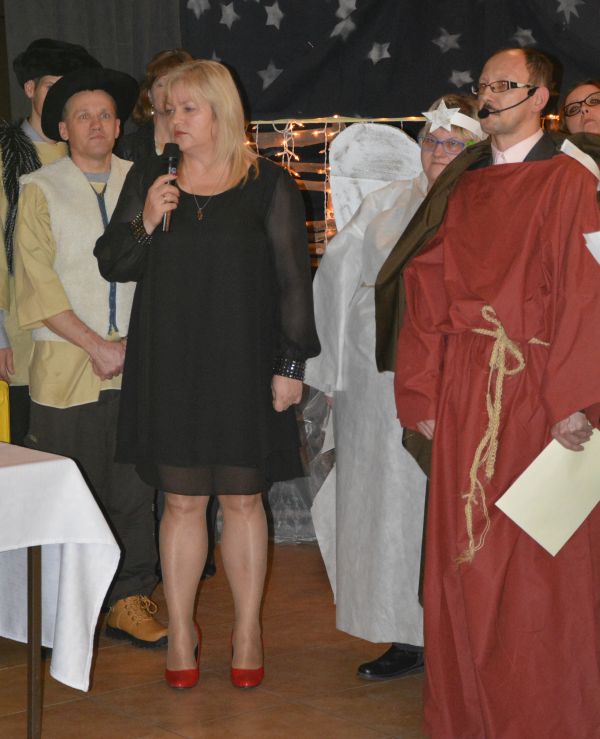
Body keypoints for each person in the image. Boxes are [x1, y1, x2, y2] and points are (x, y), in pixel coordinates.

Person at [390, 48, 600, 737]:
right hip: (465, 387)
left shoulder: (572, 179)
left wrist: (577, 399)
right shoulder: (464, 181)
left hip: (538, 389)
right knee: (465, 558)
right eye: (482, 85)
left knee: (536, 566)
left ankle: (541, 718)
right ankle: (468, 716)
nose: (488, 97)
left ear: (541, 97)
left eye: (505, 85)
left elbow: (585, 290)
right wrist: (420, 391)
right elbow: (425, 284)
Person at [94, 59, 320, 689]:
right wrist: (145, 219)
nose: (174, 120)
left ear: (221, 111)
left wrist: (291, 364)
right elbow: (114, 262)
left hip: (244, 364)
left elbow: (292, 283)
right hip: (170, 364)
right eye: (169, 110)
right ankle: (181, 629)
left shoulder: (267, 184)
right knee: (182, 500)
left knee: (245, 500)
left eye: (187, 109)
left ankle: (247, 630)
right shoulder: (151, 177)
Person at [305, 96, 485, 680]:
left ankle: (464, 636)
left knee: (454, 499)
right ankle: (403, 632)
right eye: (433, 140)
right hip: (377, 380)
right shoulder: (386, 204)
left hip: (462, 375)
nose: (440, 152)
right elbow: (336, 279)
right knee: (387, 504)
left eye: (455, 143)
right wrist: (331, 372)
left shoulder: (490, 202)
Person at [13, 66, 168, 648]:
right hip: (66, 368)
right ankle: (67, 609)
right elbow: (35, 283)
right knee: (70, 492)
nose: (97, 124)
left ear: (119, 124)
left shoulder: (146, 181)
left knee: (134, 490)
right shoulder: (39, 189)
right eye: (83, 116)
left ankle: (131, 598)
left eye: (106, 114)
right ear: (63, 128)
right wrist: (96, 345)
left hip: (138, 365)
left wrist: (131, 346)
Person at [0, 38, 101, 445]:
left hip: (84, 330)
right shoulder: (5, 155)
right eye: (51, 86)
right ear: (30, 88)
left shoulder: (89, 155)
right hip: (19, 329)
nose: (61, 97)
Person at [116, 48, 193, 164]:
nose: (168, 91)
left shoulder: (198, 144)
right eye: (162, 84)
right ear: (149, 95)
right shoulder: (128, 148)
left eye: (175, 83)